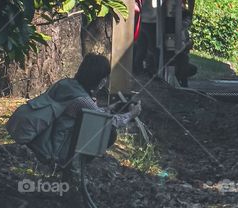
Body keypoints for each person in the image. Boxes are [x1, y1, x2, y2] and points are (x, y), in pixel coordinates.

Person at [12, 54, 141, 166]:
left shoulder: (65, 84)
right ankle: (74, 165)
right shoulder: (82, 100)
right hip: (58, 150)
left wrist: (108, 109)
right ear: (101, 82)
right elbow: (108, 122)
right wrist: (131, 115)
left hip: (44, 140)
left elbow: (88, 112)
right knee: (109, 132)